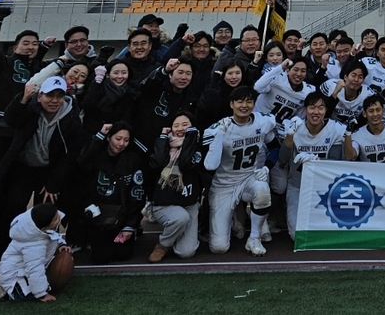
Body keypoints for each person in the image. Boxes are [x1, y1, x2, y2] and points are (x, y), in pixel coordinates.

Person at [0, 76, 85, 269]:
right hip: (23, 167)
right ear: (39, 96)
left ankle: (44, 259)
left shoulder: (71, 118)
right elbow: (11, 119)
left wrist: (54, 182)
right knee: (13, 208)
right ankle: (2, 256)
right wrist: (22, 99)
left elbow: (72, 153)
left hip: (49, 171)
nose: (54, 100)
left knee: (47, 214)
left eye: (59, 96)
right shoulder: (29, 109)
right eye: (49, 95)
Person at [203, 86, 278, 256]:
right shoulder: (220, 127)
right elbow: (210, 165)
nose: (244, 105)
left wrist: (267, 166)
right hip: (224, 183)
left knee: (263, 189)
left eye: (249, 101)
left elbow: (275, 146)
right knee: (219, 247)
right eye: (240, 101)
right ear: (231, 104)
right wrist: (221, 135)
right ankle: (233, 219)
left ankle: (254, 237)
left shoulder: (262, 122)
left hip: (248, 177)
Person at [0, 6, 46, 184]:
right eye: (26, 43)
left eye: (35, 44)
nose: (31, 47)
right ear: (15, 47)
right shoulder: (3, 64)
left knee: (16, 179)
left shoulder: (38, 68)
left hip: (25, 131)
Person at [74, 123, 145, 264]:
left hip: (121, 217)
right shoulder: (96, 156)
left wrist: (129, 225)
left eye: (126, 140)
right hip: (98, 216)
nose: (121, 143)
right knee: (101, 257)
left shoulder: (132, 160)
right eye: (118, 138)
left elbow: (137, 194)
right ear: (108, 138)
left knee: (124, 254)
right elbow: (81, 163)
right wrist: (100, 135)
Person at [279, 92, 345, 239]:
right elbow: (282, 160)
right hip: (297, 185)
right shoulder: (294, 126)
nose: (316, 112)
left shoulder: (334, 129)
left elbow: (336, 163)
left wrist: (316, 160)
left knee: (330, 233)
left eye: (321, 108)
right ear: (305, 109)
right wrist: (290, 134)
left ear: (326, 111)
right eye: (312, 107)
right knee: (297, 235)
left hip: (324, 188)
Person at [146, 113, 204, 262]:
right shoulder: (163, 144)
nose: (180, 128)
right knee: (180, 218)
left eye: (185, 124)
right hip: (164, 204)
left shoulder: (198, 146)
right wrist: (162, 137)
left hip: (189, 204)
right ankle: (163, 245)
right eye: (176, 125)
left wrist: (190, 138)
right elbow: (158, 162)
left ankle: (176, 234)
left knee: (186, 252)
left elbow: (185, 162)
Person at [0, 203, 70, 302]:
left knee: (44, 279)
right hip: (16, 277)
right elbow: (35, 269)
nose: (59, 218)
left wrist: (61, 245)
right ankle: (6, 292)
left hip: (20, 271)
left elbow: (53, 236)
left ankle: (5, 283)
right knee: (25, 294)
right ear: (44, 228)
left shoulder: (35, 226)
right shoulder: (33, 245)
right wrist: (42, 294)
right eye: (56, 218)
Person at [344, 94, 385, 164]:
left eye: (378, 110)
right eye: (371, 111)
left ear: (383, 111)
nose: (375, 114)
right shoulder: (358, 135)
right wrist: (348, 132)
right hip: (369, 174)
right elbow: (349, 156)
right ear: (364, 114)